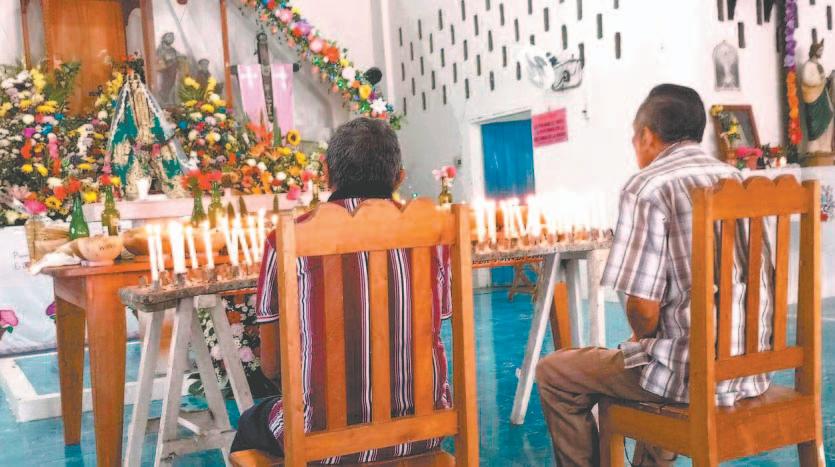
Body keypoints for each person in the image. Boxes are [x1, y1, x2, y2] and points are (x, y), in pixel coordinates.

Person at [535, 84, 775, 467]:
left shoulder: (648, 187)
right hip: (752, 370)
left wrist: (643, 334)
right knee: (656, 353)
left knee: (554, 372)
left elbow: (643, 312)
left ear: (647, 136)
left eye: (634, 138)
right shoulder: (743, 181)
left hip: (688, 377)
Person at [231, 118, 453, 463]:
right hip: (424, 436)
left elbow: (272, 366)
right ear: (399, 178)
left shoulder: (288, 239)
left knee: (252, 423)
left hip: (323, 446)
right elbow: (438, 324)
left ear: (325, 173)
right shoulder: (435, 236)